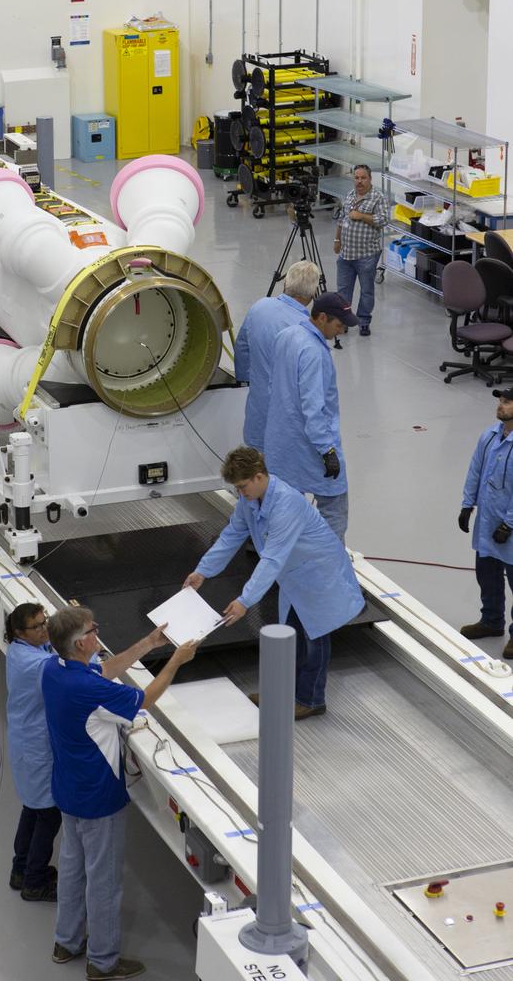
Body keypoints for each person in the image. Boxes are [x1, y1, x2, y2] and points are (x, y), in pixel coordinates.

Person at [43, 607, 197, 979]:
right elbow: (142, 702)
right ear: (81, 643)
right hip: (98, 799)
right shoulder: (86, 689)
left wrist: (148, 643)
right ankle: (103, 960)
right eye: (94, 631)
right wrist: (175, 661)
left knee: (73, 866)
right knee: (104, 880)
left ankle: (66, 940)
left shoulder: (54, 669)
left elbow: (105, 670)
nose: (99, 634)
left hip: (67, 788)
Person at [183, 446, 364, 718]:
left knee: (314, 639)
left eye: (243, 486)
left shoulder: (286, 504)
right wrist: (202, 571)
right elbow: (232, 534)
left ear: (258, 477)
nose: (240, 492)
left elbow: (272, 559)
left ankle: (311, 700)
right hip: (296, 576)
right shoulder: (250, 500)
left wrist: (245, 600)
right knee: (288, 637)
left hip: (318, 574)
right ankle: (280, 693)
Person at [263, 291, 356, 543]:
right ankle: (329, 565)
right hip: (310, 445)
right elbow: (314, 409)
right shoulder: (314, 352)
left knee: (284, 510)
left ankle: (283, 561)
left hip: (281, 442)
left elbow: (273, 386)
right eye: (339, 325)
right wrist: (327, 452)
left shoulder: (286, 336)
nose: (341, 331)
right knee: (334, 506)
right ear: (322, 317)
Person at [5, 602, 62, 902]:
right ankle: (35, 882)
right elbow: (70, 668)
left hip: (26, 741)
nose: (45, 630)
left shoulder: (21, 648)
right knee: (49, 815)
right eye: (38, 627)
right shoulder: (34, 663)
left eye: (45, 622)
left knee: (32, 807)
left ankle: (20, 870)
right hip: (35, 747)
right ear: (19, 632)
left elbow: (54, 647)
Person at [233, 259, 321, 449]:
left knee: (257, 467)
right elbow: (310, 388)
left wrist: (248, 381)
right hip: (288, 424)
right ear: (314, 293)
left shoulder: (259, 307)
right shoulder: (306, 328)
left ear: (285, 283)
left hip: (257, 411)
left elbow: (241, 347)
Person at [458, 388, 513, 659]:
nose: (501, 406)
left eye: (507, 402)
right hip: (488, 521)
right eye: (501, 400)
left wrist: (509, 524)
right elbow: (475, 470)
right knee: (487, 573)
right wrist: (467, 505)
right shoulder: (489, 436)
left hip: (509, 527)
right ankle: (491, 621)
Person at [334, 162, 387, 337]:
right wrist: (337, 239)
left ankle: (364, 321)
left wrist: (361, 216)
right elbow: (341, 219)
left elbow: (382, 220)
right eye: (356, 178)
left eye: (363, 178)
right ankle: (345, 321)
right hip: (346, 253)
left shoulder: (378, 197)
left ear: (370, 179)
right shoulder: (349, 195)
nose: (359, 181)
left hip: (367, 255)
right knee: (343, 291)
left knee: (366, 291)